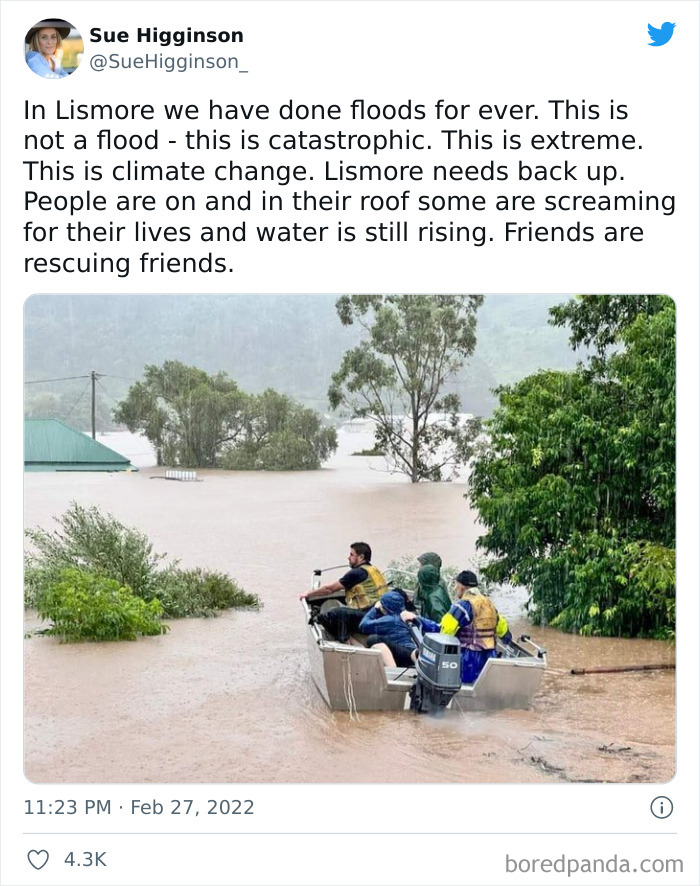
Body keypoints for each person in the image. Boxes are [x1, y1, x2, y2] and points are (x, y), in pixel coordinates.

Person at [402, 569, 508, 684]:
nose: (456, 589)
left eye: (456, 585)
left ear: (462, 587)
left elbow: (442, 631)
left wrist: (416, 619)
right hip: (489, 658)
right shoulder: (489, 604)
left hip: (469, 659)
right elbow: (504, 633)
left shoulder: (462, 606)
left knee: (464, 690)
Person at [300, 542, 388, 643]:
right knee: (343, 611)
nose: (348, 557)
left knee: (339, 612)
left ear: (361, 557)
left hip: (369, 617)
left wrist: (308, 594)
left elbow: (330, 589)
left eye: (351, 554)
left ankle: (342, 638)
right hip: (379, 614)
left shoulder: (356, 573)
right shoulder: (372, 569)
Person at [359, 590, 418, 668]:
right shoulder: (406, 616)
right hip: (410, 649)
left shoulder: (389, 620)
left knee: (373, 639)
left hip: (403, 654)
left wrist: (375, 609)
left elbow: (363, 625)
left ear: (384, 607)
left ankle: (392, 669)